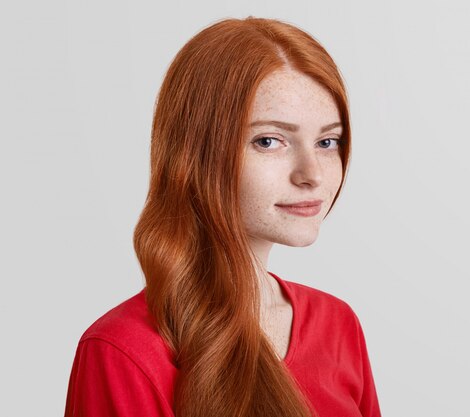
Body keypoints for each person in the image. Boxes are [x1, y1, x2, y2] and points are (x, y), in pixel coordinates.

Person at [64, 16, 381, 417]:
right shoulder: (123, 351)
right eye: (269, 141)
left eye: (327, 141)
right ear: (197, 154)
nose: (312, 174)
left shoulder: (338, 324)